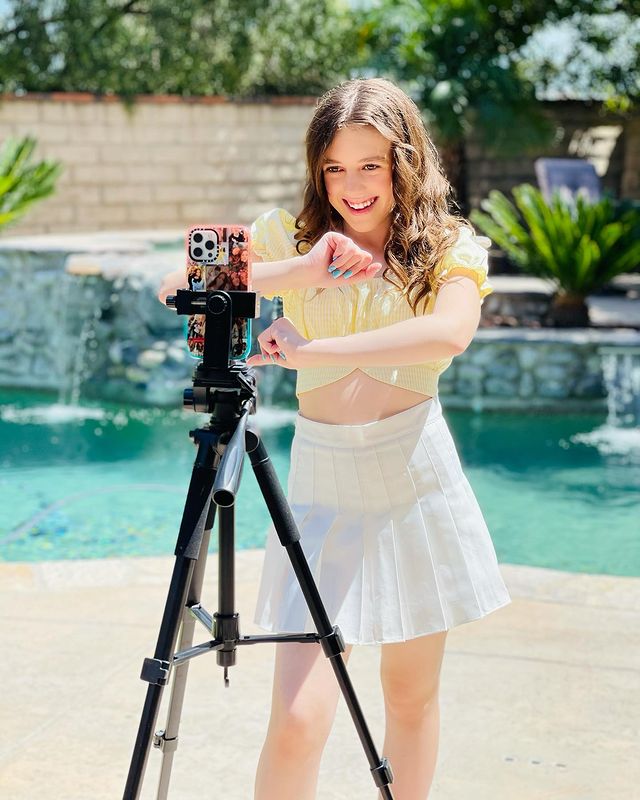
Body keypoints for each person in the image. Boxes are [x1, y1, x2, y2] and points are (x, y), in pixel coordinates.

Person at [158, 77, 511, 800]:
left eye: (371, 165)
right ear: (318, 168)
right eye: (335, 167)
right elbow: (175, 284)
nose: (352, 185)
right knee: (297, 719)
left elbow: (450, 331)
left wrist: (313, 354)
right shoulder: (288, 237)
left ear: (403, 162)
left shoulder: (446, 246)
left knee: (408, 702)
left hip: (417, 485)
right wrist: (302, 270)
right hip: (322, 496)